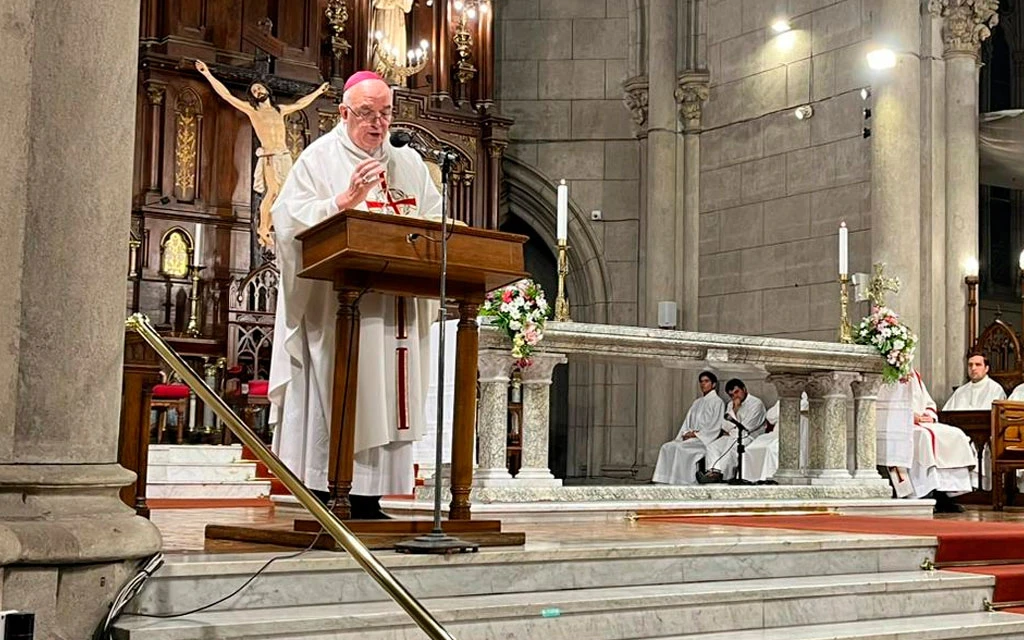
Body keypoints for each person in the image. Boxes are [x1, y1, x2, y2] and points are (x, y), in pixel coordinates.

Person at [267, 71, 442, 519]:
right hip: (342, 307)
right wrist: (341, 203)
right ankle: (331, 490)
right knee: (348, 390)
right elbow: (286, 224)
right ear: (344, 113)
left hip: (398, 305)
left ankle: (371, 495)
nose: (378, 123)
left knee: (390, 395)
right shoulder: (318, 159)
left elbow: (436, 221)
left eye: (385, 113)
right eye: (367, 113)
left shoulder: (410, 165)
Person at [194, 60, 330, 248]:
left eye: (259, 89)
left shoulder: (279, 110)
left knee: (285, 193)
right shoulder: (252, 111)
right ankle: (263, 228)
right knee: (273, 191)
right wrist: (207, 74)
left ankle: (273, 226)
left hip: (284, 155)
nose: (257, 92)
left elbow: (301, 103)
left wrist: (318, 92)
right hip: (270, 156)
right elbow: (226, 95)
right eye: (254, 92)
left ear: (267, 90)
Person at [880, 371, 976, 512]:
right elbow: (881, 406)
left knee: (956, 434)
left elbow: (928, 402)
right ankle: (923, 493)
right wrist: (909, 416)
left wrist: (929, 416)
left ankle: (944, 493)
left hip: (921, 422)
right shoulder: (886, 374)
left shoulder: (914, 374)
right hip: (898, 424)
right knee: (925, 437)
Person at [651, 371, 726, 485]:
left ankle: (682, 481)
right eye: (701, 382)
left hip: (703, 440)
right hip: (691, 437)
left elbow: (715, 426)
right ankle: (664, 480)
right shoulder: (697, 402)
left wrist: (696, 435)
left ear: (714, 384)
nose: (703, 384)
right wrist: (685, 433)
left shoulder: (718, 402)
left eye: (706, 381)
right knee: (667, 447)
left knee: (681, 449)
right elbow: (687, 422)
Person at [698, 379, 767, 484]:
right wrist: (735, 409)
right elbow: (725, 425)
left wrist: (732, 427)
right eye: (731, 395)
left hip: (750, 437)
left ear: (744, 389)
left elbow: (746, 428)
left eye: (737, 392)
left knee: (731, 449)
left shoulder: (756, 403)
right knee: (712, 446)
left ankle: (723, 476)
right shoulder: (731, 404)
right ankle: (713, 472)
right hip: (732, 436)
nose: (735, 396)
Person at [741, 393, 809, 483]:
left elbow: (792, 410)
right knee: (750, 448)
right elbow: (770, 416)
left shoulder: (806, 399)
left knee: (771, 448)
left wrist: (781, 411)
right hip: (775, 433)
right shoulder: (783, 399)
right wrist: (781, 411)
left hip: (792, 433)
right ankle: (750, 478)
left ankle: (768, 477)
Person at [942, 353, 1006, 410]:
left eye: (978, 364)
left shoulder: (996, 390)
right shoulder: (960, 391)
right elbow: (946, 415)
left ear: (986, 368)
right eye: (970, 365)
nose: (973, 368)